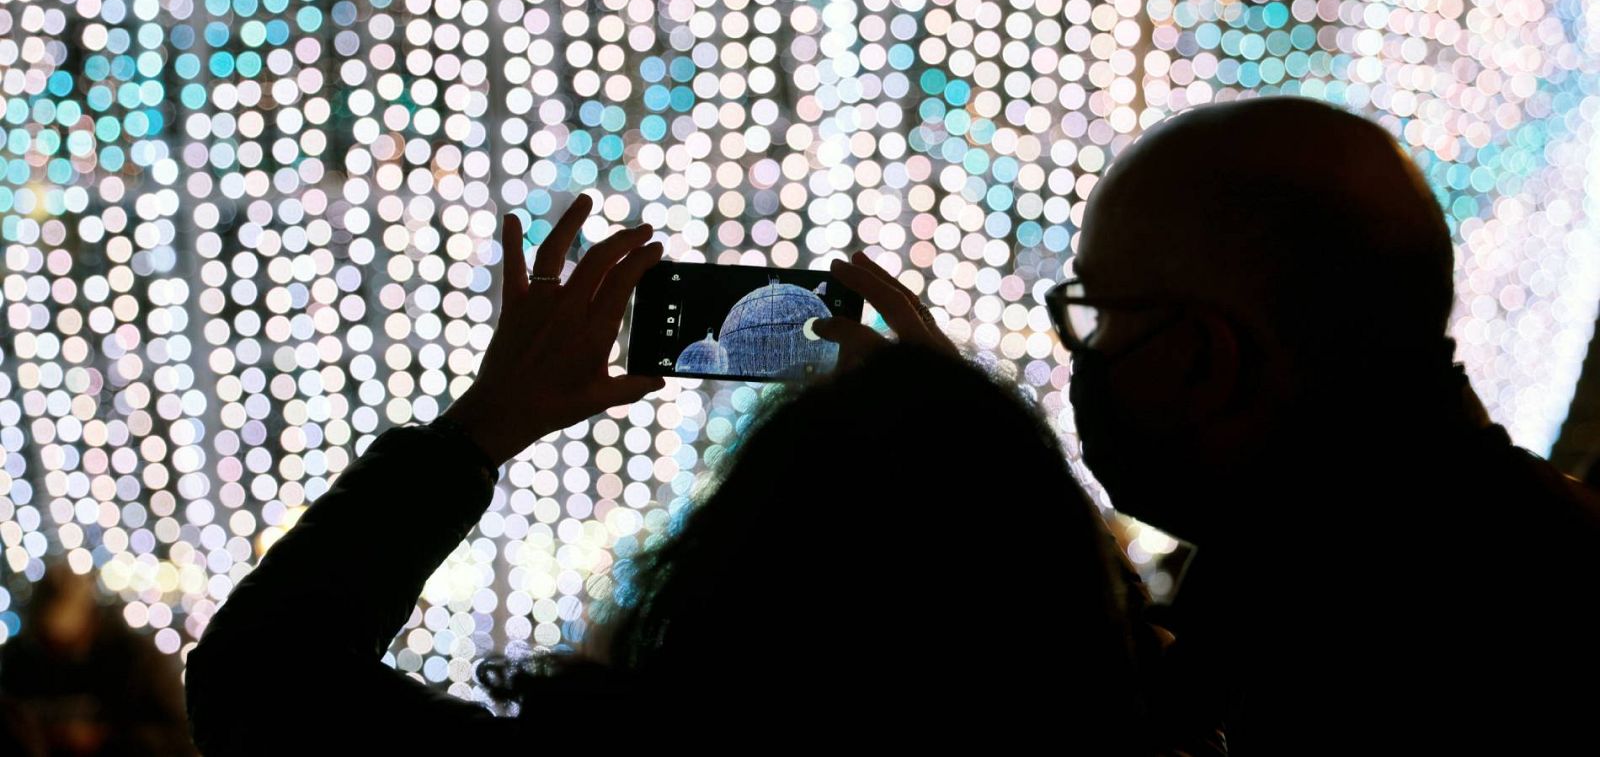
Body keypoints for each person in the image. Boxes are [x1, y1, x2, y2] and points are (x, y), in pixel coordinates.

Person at [185, 194, 1157, 753]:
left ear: (728, 564)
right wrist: (976, 451)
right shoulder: (1145, 731)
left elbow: (262, 677)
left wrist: (481, 427)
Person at [1016, 97, 1600, 752]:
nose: (1080, 351)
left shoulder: (1367, 670)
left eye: (1095, 315)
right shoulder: (1282, 572)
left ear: (1205, 355)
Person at [0, 562, 195, 757]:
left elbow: (176, 738)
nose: (56, 653)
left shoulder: (136, 661)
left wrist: (103, 740)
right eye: (46, 642)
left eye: (64, 642)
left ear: (89, 621)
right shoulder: (18, 661)